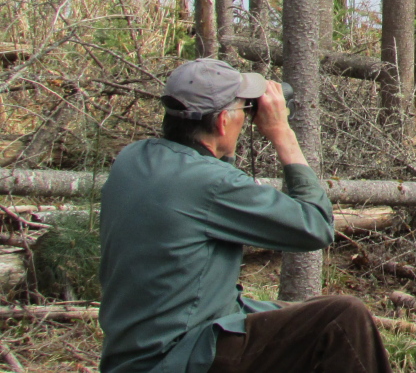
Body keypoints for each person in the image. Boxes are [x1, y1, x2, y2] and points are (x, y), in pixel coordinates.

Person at [99, 57, 393, 373]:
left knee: (299, 313)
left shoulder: (132, 159)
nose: (247, 116)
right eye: (243, 108)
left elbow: (205, 180)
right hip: (178, 357)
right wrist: (282, 132)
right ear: (224, 122)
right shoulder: (210, 184)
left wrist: (232, 127)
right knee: (341, 319)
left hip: (134, 355)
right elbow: (317, 225)